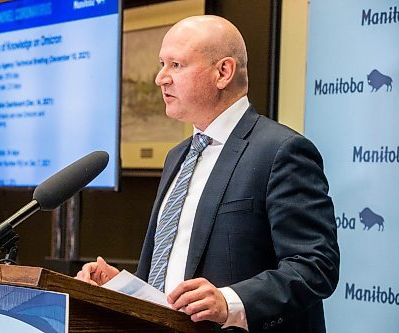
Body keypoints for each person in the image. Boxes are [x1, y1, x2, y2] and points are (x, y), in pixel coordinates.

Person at [76, 15, 339, 333]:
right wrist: (124, 286)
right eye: (162, 64)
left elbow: (315, 266)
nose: (161, 78)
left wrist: (230, 302)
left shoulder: (282, 151)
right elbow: (176, 271)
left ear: (223, 72)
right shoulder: (178, 156)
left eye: (176, 65)